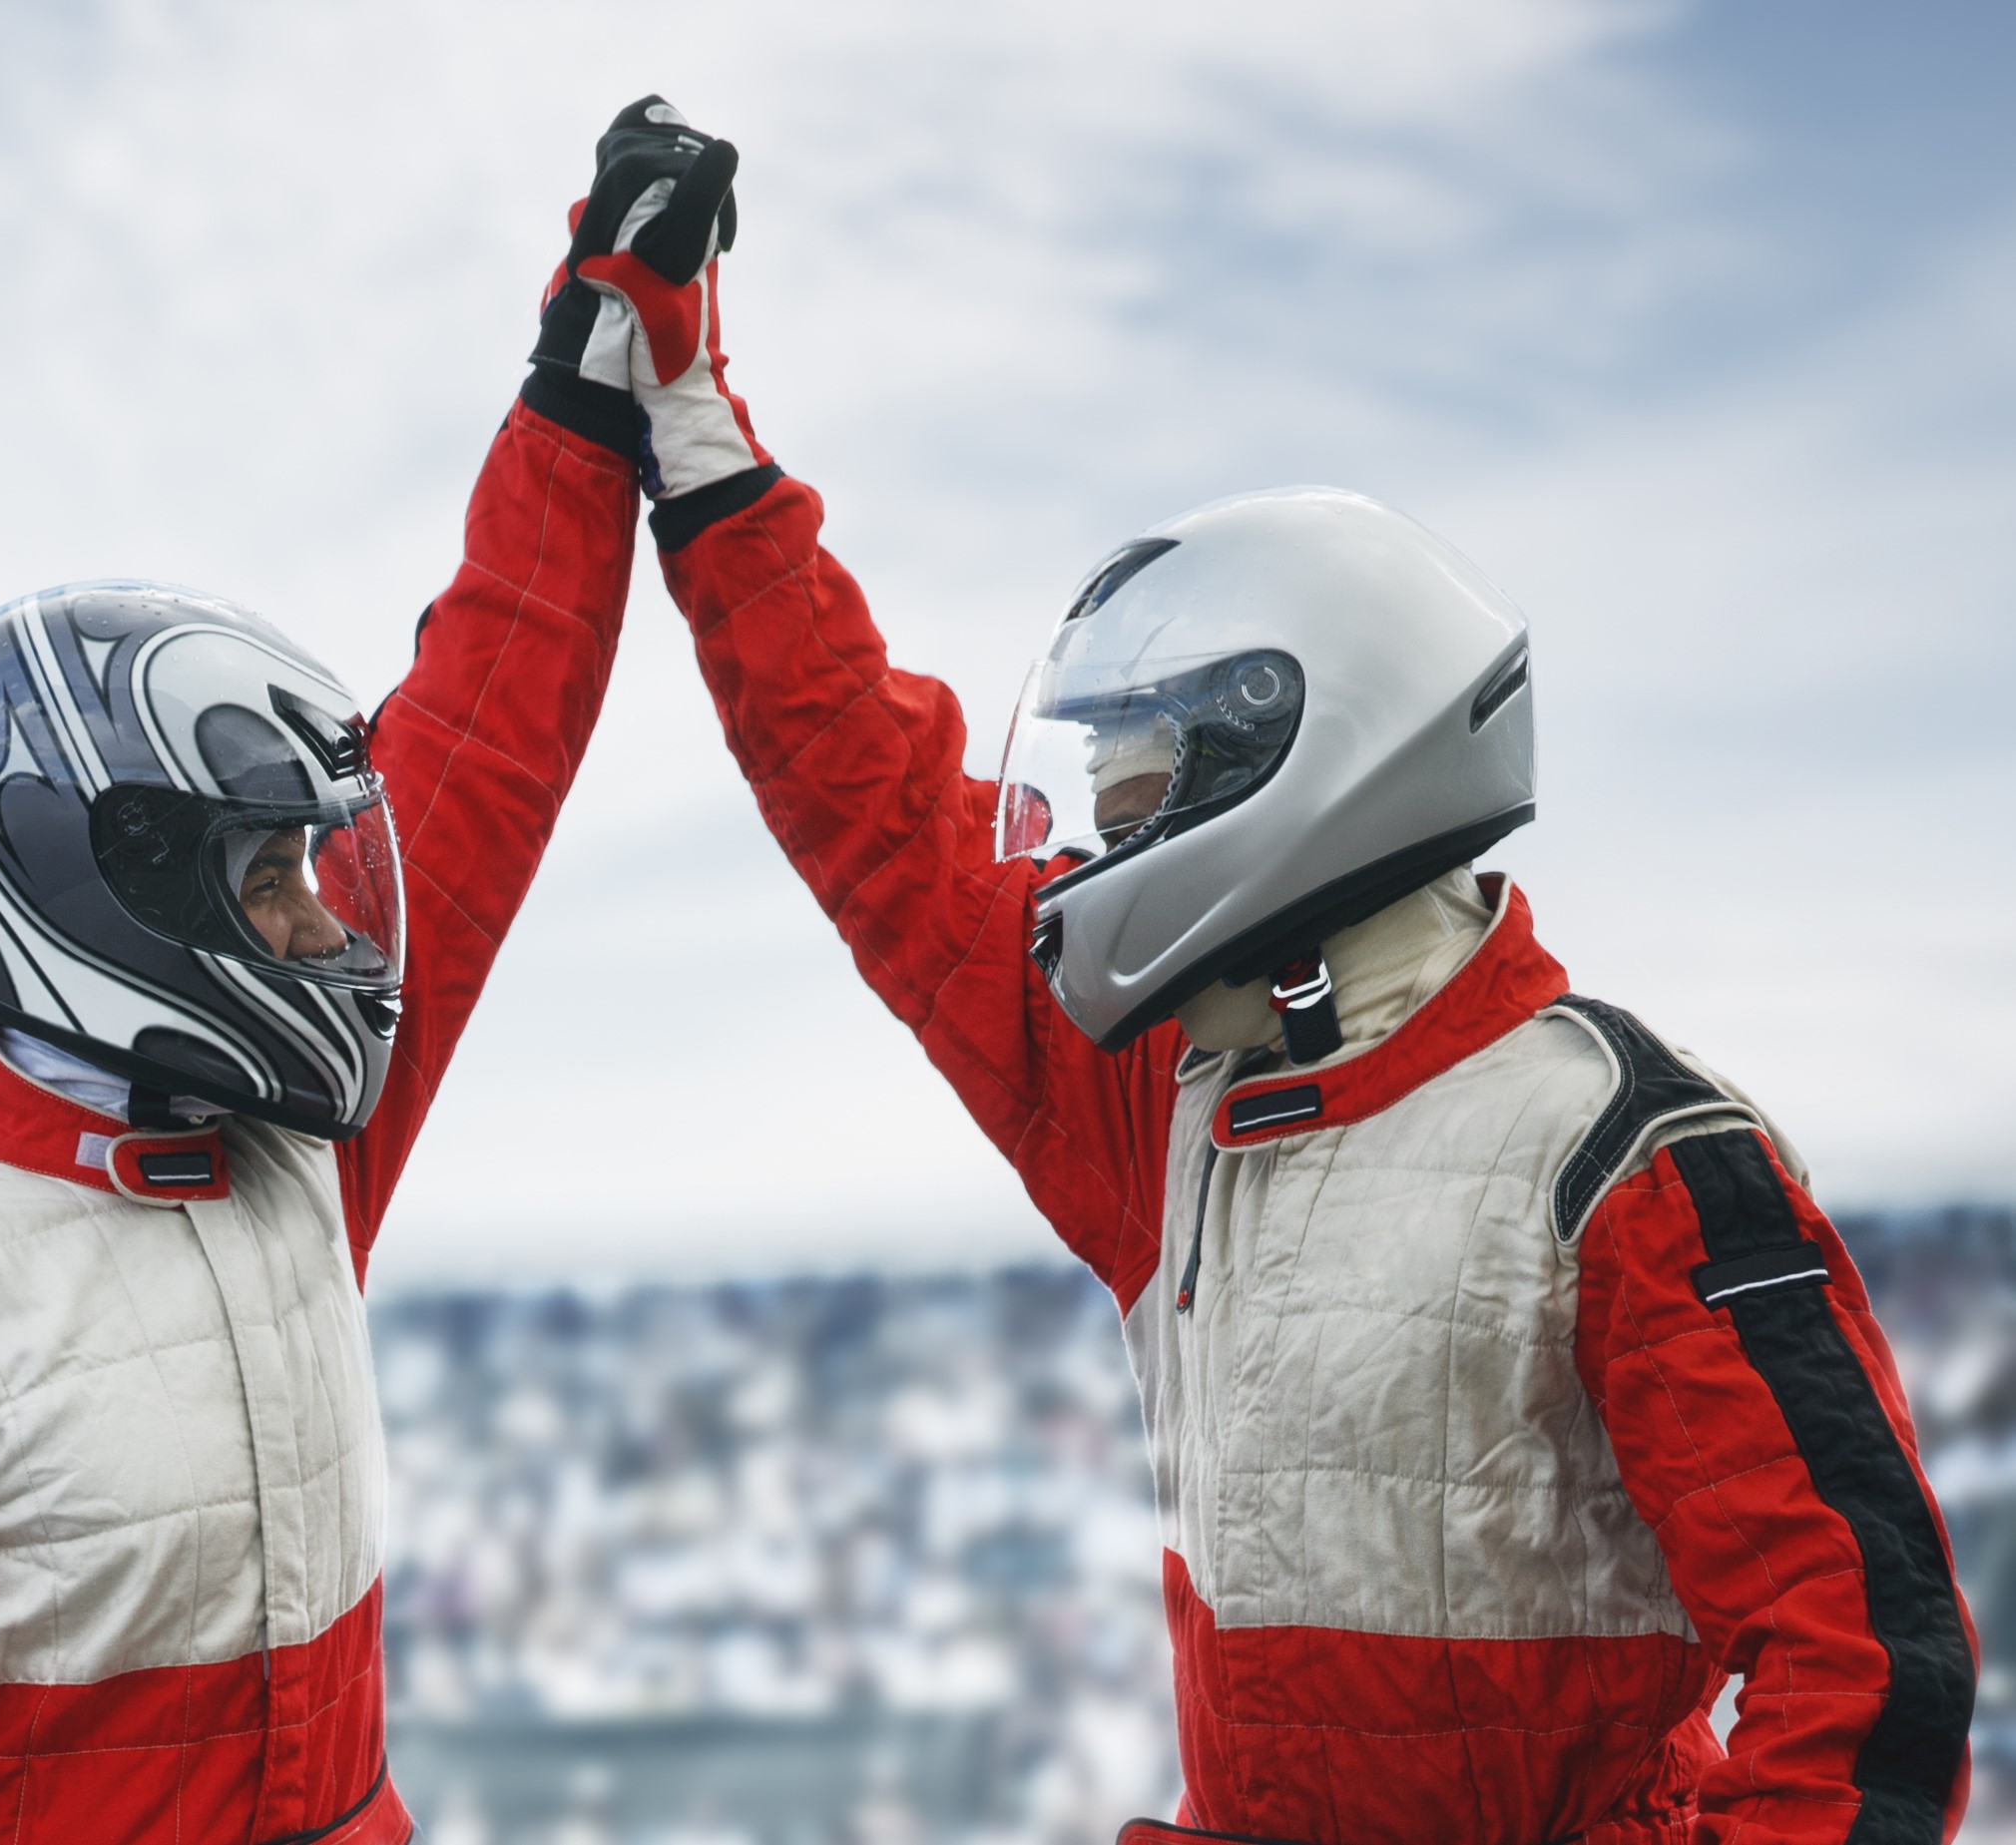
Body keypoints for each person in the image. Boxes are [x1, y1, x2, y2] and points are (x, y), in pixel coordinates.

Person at [613, 102, 1972, 1845]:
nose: (1092, 853)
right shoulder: (1174, 1098)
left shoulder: (1627, 1154)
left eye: (1133, 797)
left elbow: (1872, 1687)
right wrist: (695, 434)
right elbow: (878, 812)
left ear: (1301, 754)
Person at [0, 103, 731, 1845]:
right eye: (268, 873)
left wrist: (589, 383)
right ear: (108, 890)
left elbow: (479, 746)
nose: (323, 920)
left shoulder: (294, 1155)